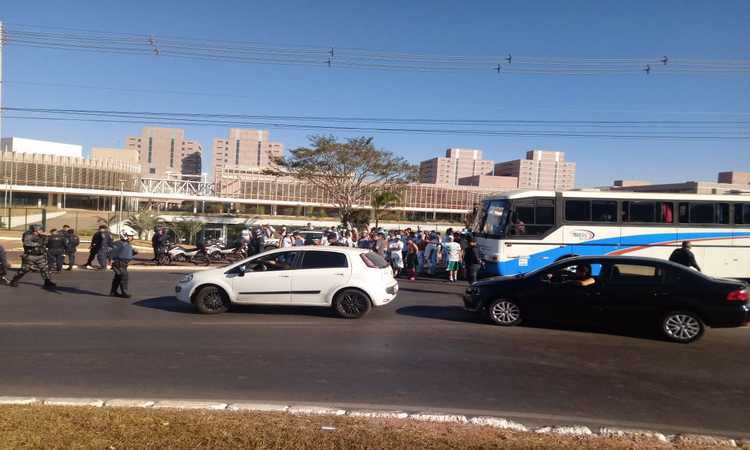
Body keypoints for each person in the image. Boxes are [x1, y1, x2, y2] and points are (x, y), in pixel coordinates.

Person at [10, 224, 55, 289]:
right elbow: (27, 243)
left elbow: (45, 243)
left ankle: (47, 282)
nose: (41, 230)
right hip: (30, 256)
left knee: (44, 269)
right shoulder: (28, 234)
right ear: (35, 229)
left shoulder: (41, 236)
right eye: (39, 229)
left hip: (40, 255)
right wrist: (39, 241)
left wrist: (46, 237)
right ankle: (14, 281)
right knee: (24, 269)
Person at [109, 230, 138, 298]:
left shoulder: (126, 243)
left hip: (123, 263)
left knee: (118, 278)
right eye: (130, 236)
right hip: (119, 263)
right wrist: (110, 260)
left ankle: (113, 292)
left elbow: (126, 252)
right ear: (125, 236)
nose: (132, 237)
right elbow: (112, 252)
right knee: (124, 277)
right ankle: (124, 293)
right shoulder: (119, 243)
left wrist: (134, 252)